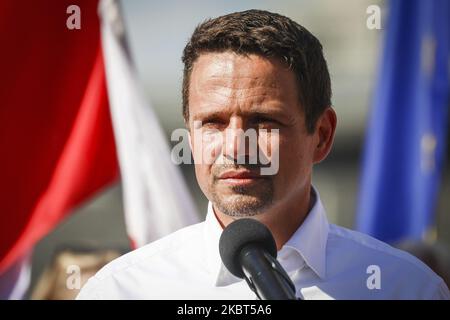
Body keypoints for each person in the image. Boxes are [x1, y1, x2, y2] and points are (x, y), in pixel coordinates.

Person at [77, 9, 450, 299]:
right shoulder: (121, 290)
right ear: (190, 135)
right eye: (213, 123)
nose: (237, 145)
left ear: (321, 135)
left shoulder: (408, 289)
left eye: (263, 121)